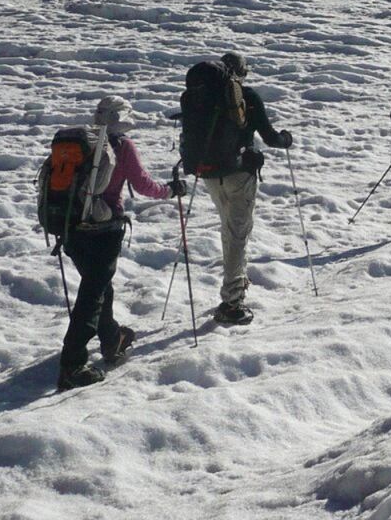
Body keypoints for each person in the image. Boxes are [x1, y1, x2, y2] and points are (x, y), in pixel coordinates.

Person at [57, 96, 183, 391]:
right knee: (92, 295)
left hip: (71, 227)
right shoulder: (122, 146)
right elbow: (141, 184)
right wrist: (170, 191)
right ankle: (72, 364)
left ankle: (112, 339)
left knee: (98, 286)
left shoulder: (78, 142)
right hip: (104, 228)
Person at [199, 51, 292, 325]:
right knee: (238, 232)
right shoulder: (246, 96)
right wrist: (285, 139)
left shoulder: (203, 96)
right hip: (239, 173)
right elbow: (270, 137)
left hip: (208, 173)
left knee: (228, 226)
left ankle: (236, 280)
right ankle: (232, 300)